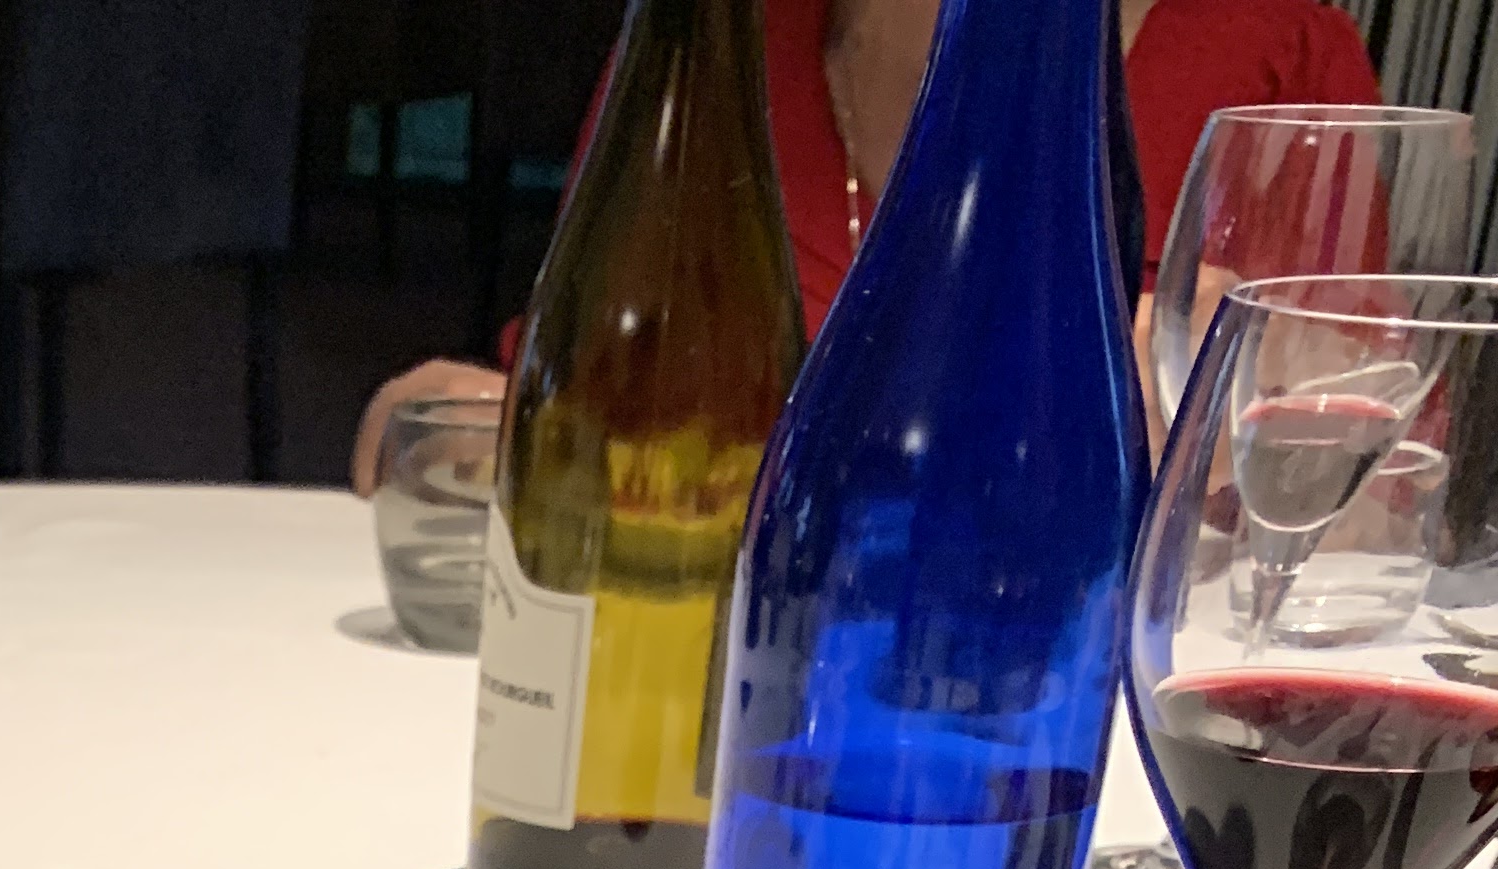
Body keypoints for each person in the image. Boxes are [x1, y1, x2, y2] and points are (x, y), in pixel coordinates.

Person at [349, 0, 1384, 491]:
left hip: (1082, 745)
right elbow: (592, 392)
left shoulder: (1282, 57)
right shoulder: (716, 42)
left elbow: (1387, 508)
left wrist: (1237, 437)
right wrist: (488, 424)